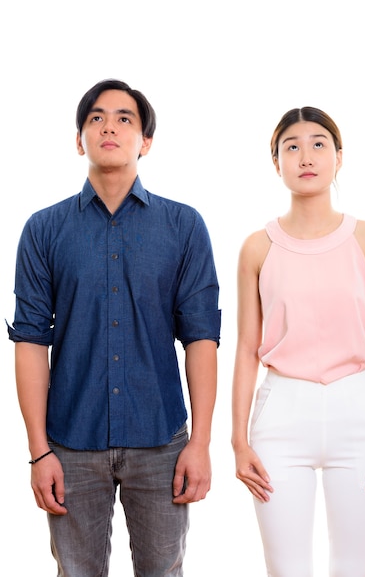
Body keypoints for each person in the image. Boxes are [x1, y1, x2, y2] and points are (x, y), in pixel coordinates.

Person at [8, 79, 221, 577]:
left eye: (126, 118)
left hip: (161, 439)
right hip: (70, 442)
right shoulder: (43, 230)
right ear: (79, 138)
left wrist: (200, 442)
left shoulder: (184, 226)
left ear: (145, 141)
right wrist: (39, 451)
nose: (110, 126)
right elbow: (31, 342)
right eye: (96, 117)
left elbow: (201, 338)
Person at [231, 106, 365, 577]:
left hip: (358, 413)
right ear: (277, 163)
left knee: (355, 568)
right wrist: (238, 440)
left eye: (318, 144)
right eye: (292, 146)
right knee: (286, 570)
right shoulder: (257, 247)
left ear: (338, 157)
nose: (305, 156)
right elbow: (247, 348)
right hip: (281, 416)